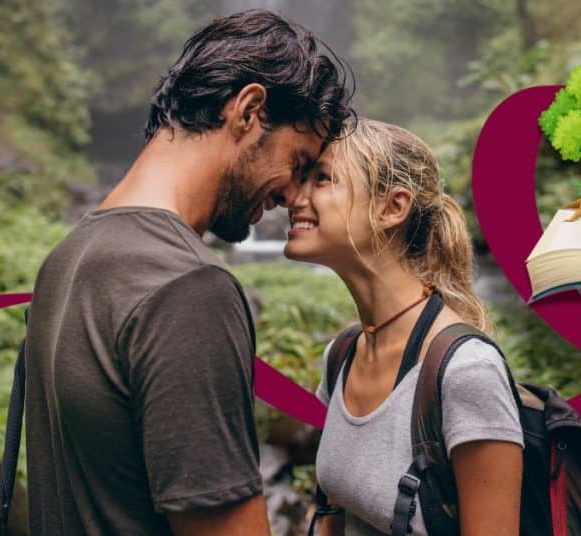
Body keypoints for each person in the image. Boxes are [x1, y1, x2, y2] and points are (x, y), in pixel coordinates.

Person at [22, 10, 353, 535]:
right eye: (298, 162)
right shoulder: (188, 289)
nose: (293, 195)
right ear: (247, 111)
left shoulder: (66, 258)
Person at [284, 119, 523, 535]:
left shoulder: (466, 371)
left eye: (322, 179)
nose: (293, 197)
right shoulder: (341, 355)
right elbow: (332, 512)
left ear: (393, 207)